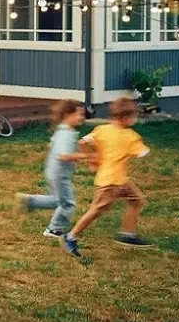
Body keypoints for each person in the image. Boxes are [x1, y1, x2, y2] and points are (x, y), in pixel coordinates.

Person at [62, 97, 153, 256]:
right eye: (133, 116)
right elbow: (144, 153)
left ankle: (128, 234)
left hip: (120, 181)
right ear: (126, 117)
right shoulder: (131, 136)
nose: (135, 119)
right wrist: (143, 150)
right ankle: (70, 236)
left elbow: (83, 142)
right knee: (96, 210)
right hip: (111, 183)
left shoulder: (102, 130)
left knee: (137, 201)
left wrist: (91, 160)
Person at [16, 100, 88, 238]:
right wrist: (81, 155)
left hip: (53, 171)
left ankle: (29, 201)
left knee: (57, 200)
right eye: (80, 114)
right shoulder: (66, 133)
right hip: (60, 174)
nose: (82, 118)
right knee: (68, 203)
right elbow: (63, 155)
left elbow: (51, 146)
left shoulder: (62, 129)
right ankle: (54, 229)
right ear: (68, 114)